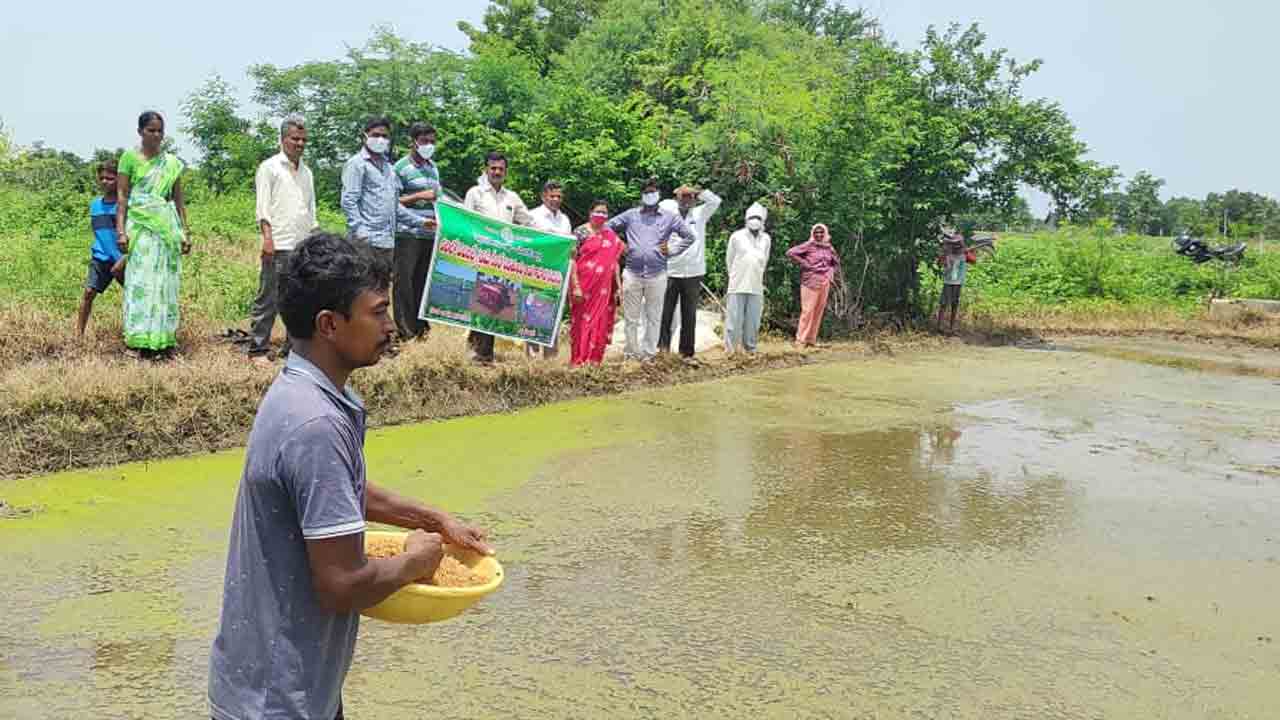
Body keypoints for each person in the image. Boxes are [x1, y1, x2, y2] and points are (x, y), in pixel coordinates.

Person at [207, 232, 492, 720]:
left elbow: (335, 492)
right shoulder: (315, 425)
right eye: (378, 312)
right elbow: (342, 583)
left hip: (286, 683)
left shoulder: (300, 390)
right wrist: (416, 561)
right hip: (277, 701)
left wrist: (431, 519)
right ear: (329, 324)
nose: (390, 327)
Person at [116, 111, 189, 358]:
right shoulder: (129, 158)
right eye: (151, 130)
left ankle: (164, 340)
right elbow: (122, 196)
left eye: (160, 131)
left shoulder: (172, 164)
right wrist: (120, 231)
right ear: (140, 132)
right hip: (140, 226)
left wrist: (184, 232)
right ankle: (137, 341)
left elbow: (178, 200)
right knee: (140, 282)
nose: (156, 135)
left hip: (166, 229)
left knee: (164, 284)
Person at [247, 114, 317, 365]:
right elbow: (263, 208)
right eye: (294, 139)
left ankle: (292, 349)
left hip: (301, 244)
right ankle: (257, 349)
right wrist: (267, 239)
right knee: (269, 297)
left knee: (297, 298)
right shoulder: (270, 167)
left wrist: (313, 239)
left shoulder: (307, 172)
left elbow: (310, 210)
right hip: (278, 243)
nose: (299, 143)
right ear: (283, 139)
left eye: (303, 139)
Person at [606, 179, 697, 361]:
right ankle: (631, 354)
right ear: (641, 195)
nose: (650, 195)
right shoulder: (631, 215)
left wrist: (672, 250)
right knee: (631, 318)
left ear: (659, 195)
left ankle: (648, 354)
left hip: (657, 274)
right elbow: (607, 227)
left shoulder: (669, 217)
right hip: (632, 273)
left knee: (654, 317)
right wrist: (620, 244)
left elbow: (689, 236)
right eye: (647, 192)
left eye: (653, 191)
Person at [463, 151, 535, 364]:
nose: (496, 172)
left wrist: (559, 240)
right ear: (486, 169)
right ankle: (475, 352)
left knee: (495, 306)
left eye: (501, 169)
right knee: (479, 304)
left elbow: (529, 222)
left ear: (506, 172)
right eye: (493, 168)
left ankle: (485, 354)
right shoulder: (475, 193)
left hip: (503, 262)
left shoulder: (511, 197)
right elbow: (466, 222)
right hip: (479, 257)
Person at [340, 116, 429, 276]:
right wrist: (361, 232)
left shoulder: (389, 168)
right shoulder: (357, 164)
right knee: (361, 290)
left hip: (387, 243)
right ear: (365, 136)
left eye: (385, 136)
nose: (380, 139)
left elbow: (394, 207)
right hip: (365, 243)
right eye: (375, 135)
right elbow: (348, 201)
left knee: (379, 291)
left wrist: (422, 222)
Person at [659, 185, 721, 358]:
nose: (686, 199)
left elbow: (716, 201)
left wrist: (699, 191)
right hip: (671, 270)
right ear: (677, 197)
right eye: (683, 196)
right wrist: (679, 189)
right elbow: (659, 203)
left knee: (689, 314)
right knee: (665, 313)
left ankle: (686, 353)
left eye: (690, 197)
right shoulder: (668, 212)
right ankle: (662, 350)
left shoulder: (700, 214)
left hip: (693, 272)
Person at [392, 122, 441, 342]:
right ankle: (405, 331)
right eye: (424, 141)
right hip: (407, 234)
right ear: (413, 142)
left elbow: (437, 197)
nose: (428, 145)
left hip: (430, 235)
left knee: (423, 282)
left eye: (432, 142)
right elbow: (392, 201)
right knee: (404, 283)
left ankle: (421, 329)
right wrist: (419, 196)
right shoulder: (400, 168)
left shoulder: (433, 167)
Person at [569, 200, 625, 366]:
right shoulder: (580, 232)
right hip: (583, 287)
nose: (601, 216)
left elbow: (614, 263)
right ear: (590, 212)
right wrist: (575, 286)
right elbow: (571, 260)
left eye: (604, 213)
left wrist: (618, 287)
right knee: (580, 323)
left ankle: (594, 362)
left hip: (603, 290)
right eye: (598, 212)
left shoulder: (611, 235)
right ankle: (578, 361)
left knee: (599, 324)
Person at [76, 160, 126, 338]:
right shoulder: (95, 205)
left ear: (119, 180)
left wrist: (125, 257)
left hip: (123, 259)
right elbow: (100, 232)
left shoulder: (126, 204)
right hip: (101, 257)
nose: (105, 181)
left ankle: (137, 332)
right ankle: (78, 335)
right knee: (89, 293)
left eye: (110, 178)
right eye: (102, 178)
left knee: (135, 296)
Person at [527, 180, 573, 359]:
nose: (556, 199)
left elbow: (569, 248)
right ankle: (532, 359)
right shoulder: (532, 216)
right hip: (536, 273)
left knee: (553, 317)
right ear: (543, 196)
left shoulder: (565, 220)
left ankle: (550, 360)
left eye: (559, 196)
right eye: (552, 196)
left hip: (558, 275)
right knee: (533, 316)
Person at [723, 202, 772, 354]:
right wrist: (734, 276)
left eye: (758, 217)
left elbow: (765, 261)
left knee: (753, 320)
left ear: (763, 220)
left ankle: (750, 348)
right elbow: (729, 260)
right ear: (746, 219)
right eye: (752, 217)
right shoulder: (736, 236)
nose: (754, 220)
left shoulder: (766, 239)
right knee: (734, 320)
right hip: (738, 283)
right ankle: (731, 350)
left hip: (756, 285)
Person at [786, 223, 840, 348]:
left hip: (824, 282)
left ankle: (811, 340)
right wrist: (806, 264)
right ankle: (800, 341)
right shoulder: (809, 245)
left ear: (825, 233)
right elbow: (790, 253)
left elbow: (835, 262)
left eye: (821, 232)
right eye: (816, 232)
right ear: (812, 234)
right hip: (810, 281)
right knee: (808, 311)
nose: (819, 234)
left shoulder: (829, 247)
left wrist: (831, 273)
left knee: (818, 311)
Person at [937, 228, 968, 332]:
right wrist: (944, 255)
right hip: (948, 282)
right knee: (944, 304)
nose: (956, 246)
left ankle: (952, 327)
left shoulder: (964, 255)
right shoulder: (947, 255)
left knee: (954, 304)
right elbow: (940, 263)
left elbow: (973, 259)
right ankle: (940, 326)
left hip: (958, 282)